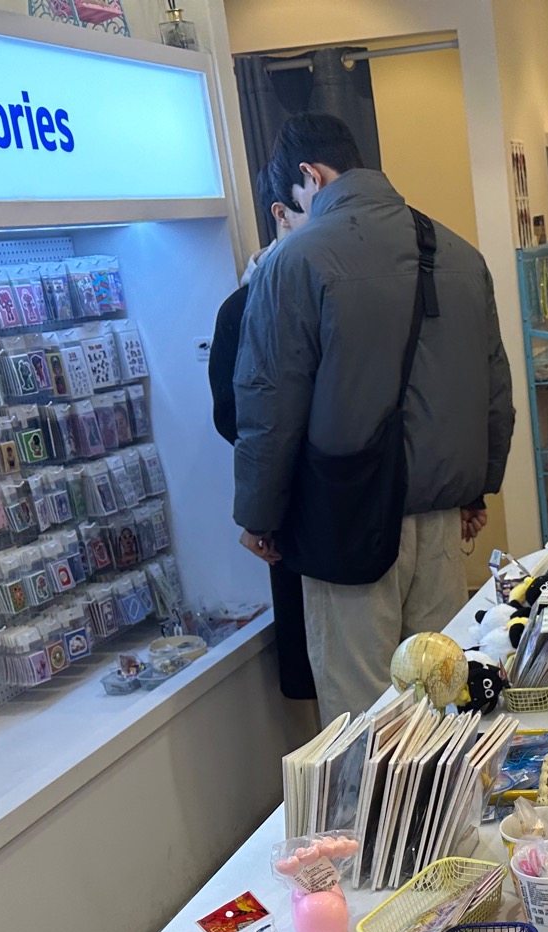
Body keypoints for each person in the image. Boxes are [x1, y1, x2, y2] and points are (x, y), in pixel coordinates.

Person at [234, 114, 515, 722]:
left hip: (344, 517)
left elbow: (269, 402)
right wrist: (478, 489)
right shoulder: (461, 255)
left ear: (310, 176)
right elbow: (494, 384)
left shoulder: (295, 262)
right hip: (441, 518)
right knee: (442, 698)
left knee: (361, 714)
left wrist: (259, 514)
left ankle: (370, 792)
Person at [209, 158, 315, 702]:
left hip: (323, 507)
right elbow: (238, 420)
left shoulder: (329, 285)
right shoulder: (243, 308)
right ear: (282, 213)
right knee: (331, 673)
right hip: (295, 511)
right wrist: (262, 512)